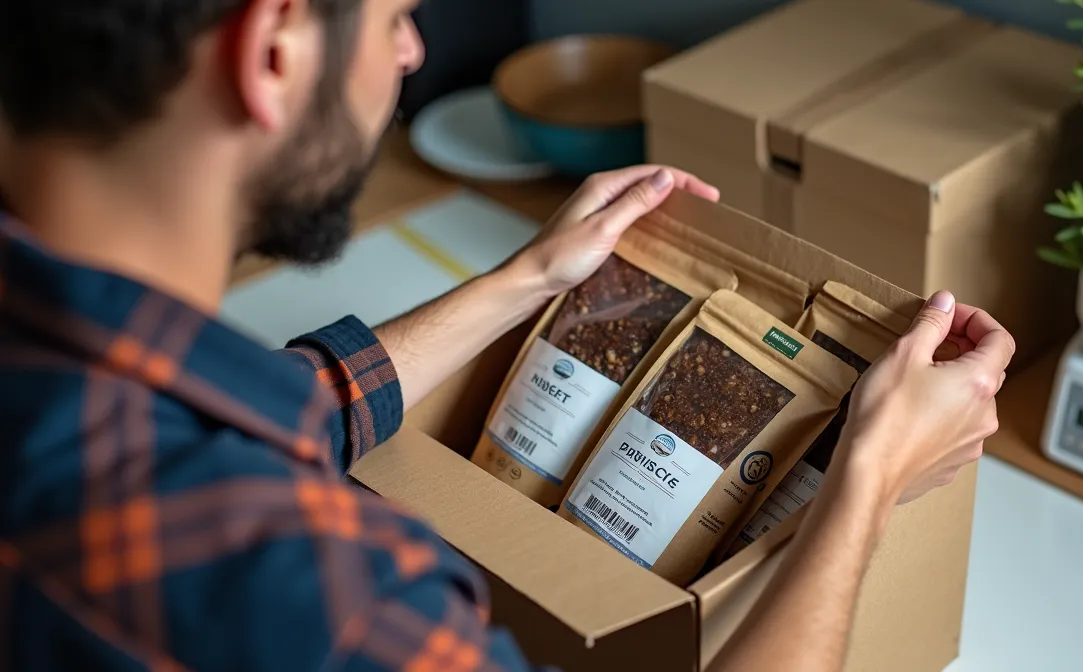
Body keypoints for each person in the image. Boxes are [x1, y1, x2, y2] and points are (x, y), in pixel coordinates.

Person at [0, 0, 1014, 670]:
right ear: (273, 52)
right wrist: (870, 479)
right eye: (395, 16)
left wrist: (520, 283)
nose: (412, 52)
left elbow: (206, 411)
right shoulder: (339, 608)